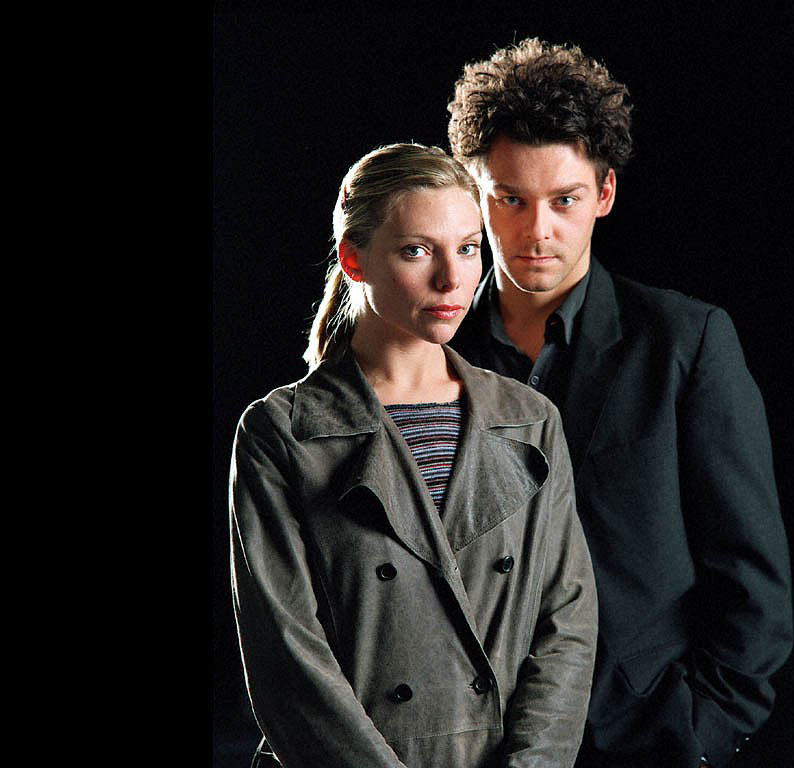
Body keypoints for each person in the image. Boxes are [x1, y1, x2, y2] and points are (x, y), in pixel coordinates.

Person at [446, 40, 793, 768]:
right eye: (510, 199)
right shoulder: (431, 354)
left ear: (604, 194)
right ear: (472, 194)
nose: (537, 230)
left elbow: (753, 577)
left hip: (642, 740)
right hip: (471, 742)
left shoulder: (686, 342)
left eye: (564, 199)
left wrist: (703, 731)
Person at [229, 142, 598, 768]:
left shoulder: (530, 420)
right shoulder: (281, 433)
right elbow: (288, 659)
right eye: (416, 251)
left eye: (468, 248)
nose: (452, 279)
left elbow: (567, 622)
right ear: (354, 259)